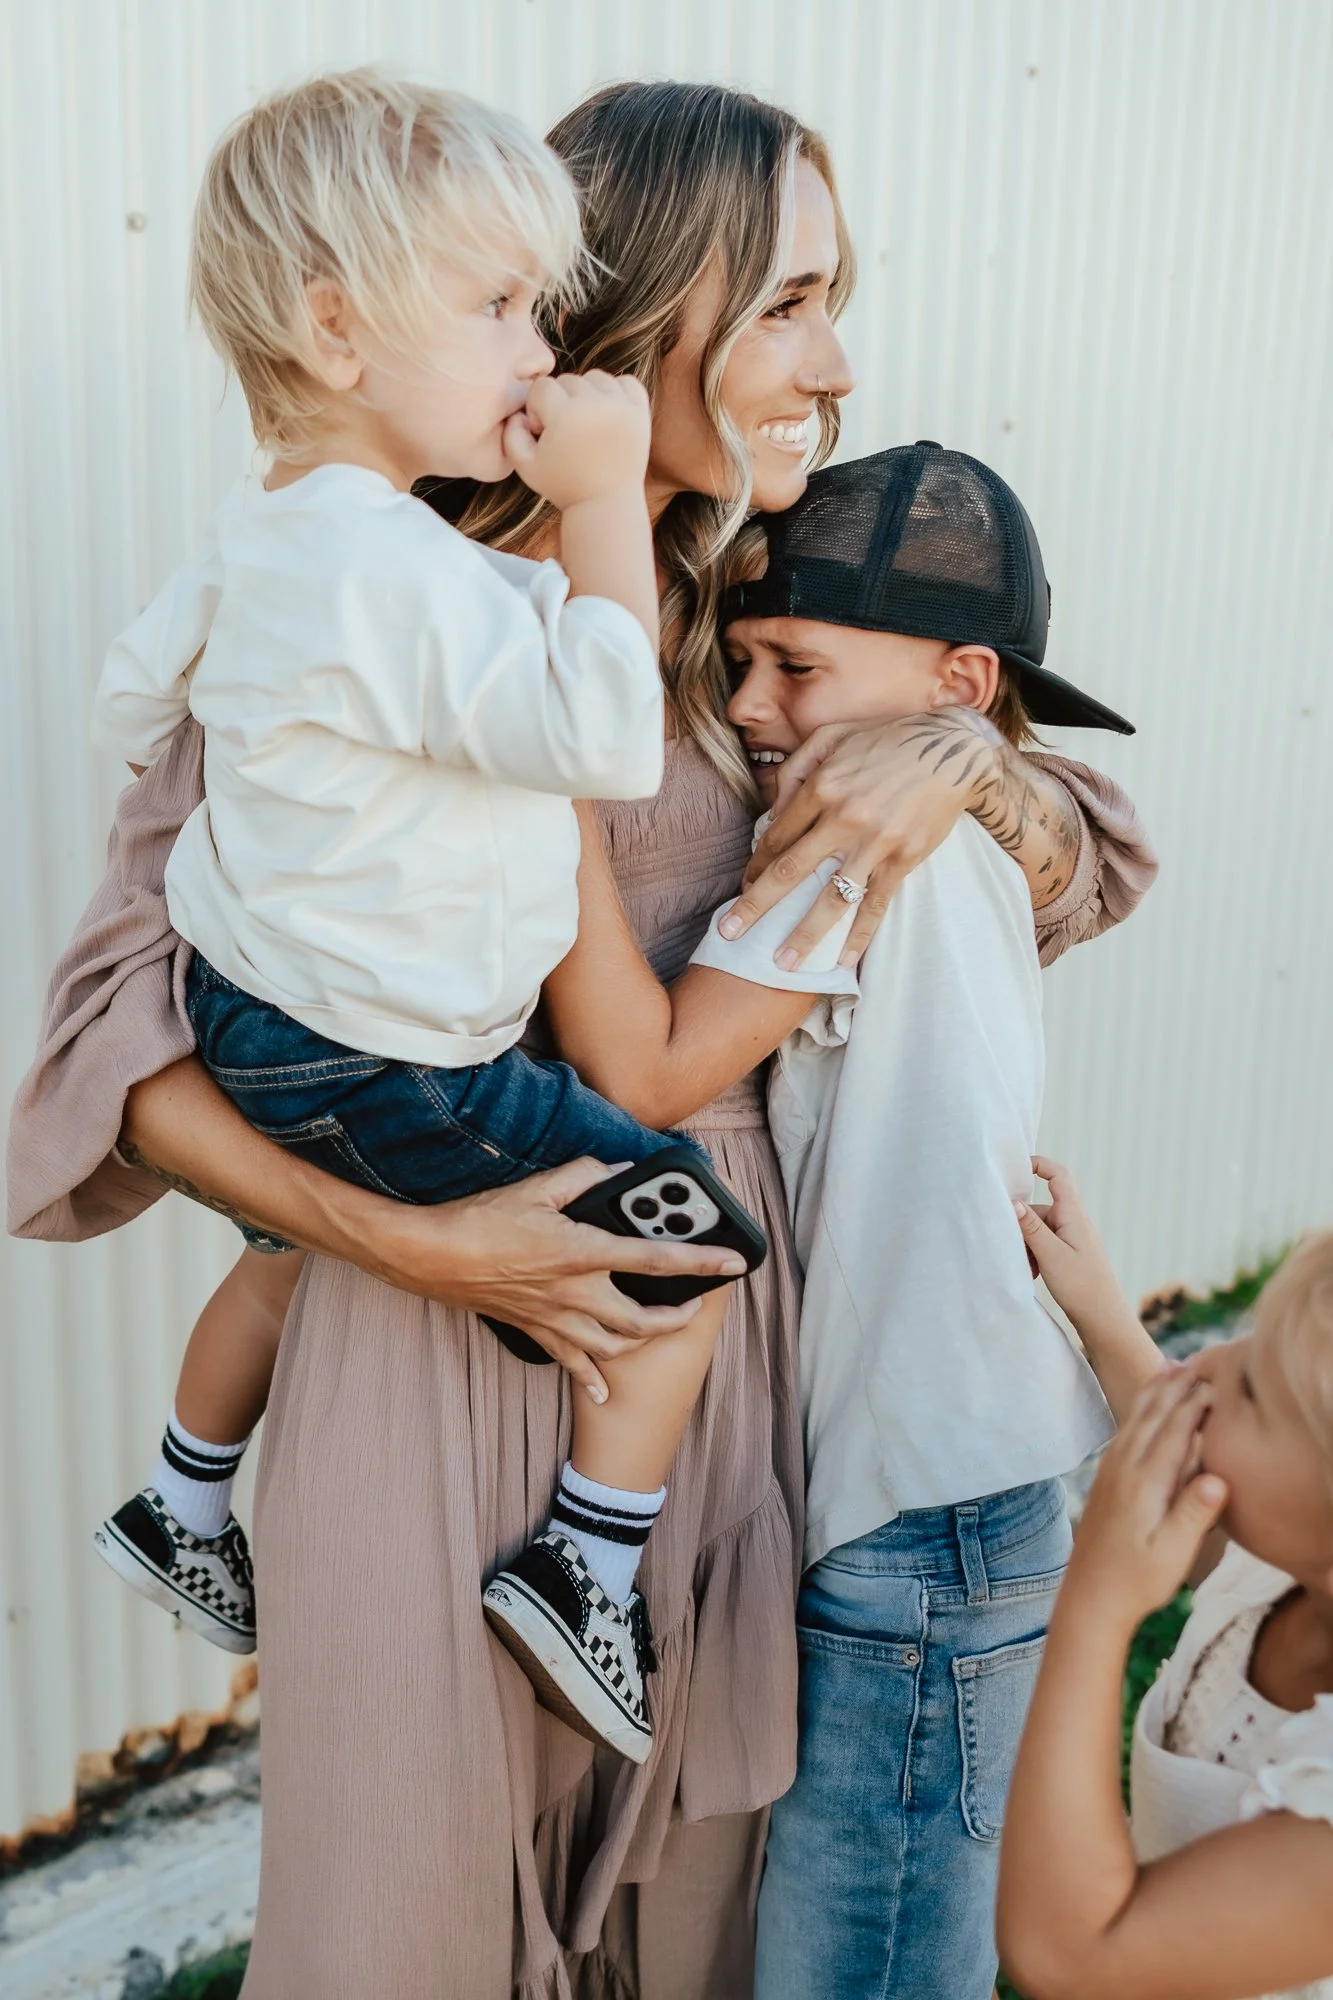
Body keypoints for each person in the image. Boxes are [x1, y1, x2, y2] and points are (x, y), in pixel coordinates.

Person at [8, 79, 1154, 1999]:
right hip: (434, 1361)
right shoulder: (362, 611)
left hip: (707, 1406)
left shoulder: (758, 623)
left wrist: (968, 759)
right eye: (786, 301)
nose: (834, 360)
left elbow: (1088, 855)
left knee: (690, 1934)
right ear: (638, 304)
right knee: (411, 1935)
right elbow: (109, 1045)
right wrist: (409, 1240)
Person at [86, 69, 747, 1767]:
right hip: (381, 1055)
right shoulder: (378, 568)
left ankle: (181, 1495)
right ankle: (582, 1565)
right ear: (332, 330)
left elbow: (131, 698)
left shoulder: (289, 543)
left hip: (269, 1023)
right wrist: (602, 501)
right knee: (693, 1252)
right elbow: (596, 732)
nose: (547, 351)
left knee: (284, 1248)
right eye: (502, 305)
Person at [534, 442, 1149, 2000]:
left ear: (958, 680)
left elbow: (644, 1065)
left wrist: (537, 805)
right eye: (736, 662)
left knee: (859, 1970)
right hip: (945, 1492)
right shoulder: (938, 811)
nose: (749, 709)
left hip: (920, 1516)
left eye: (793, 665)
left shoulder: (867, 831)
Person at [998, 1175, 1333, 2000]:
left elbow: (1069, 1954)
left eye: (1251, 1387)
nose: (1207, 1361)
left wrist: (1096, 1606)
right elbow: (1184, 1455)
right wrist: (1098, 1308)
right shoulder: (1287, 1570)